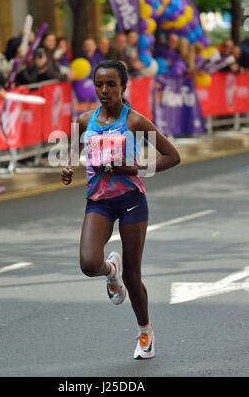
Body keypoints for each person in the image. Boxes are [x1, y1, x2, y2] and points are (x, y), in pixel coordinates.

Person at [61, 60, 180, 359]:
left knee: (134, 276)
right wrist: (68, 166)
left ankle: (145, 332)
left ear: (123, 87)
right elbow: (75, 149)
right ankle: (110, 270)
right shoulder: (84, 120)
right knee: (89, 264)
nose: (104, 90)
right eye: (99, 84)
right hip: (98, 201)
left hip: (130, 201)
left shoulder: (135, 122)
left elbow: (172, 156)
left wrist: (134, 168)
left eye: (111, 84)